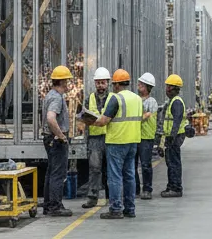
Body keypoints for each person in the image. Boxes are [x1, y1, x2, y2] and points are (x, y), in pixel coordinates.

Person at [85, 68, 143, 219]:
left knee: (115, 176)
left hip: (117, 142)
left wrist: (89, 121)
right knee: (129, 175)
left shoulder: (116, 99)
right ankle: (130, 208)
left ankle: (116, 208)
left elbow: (104, 121)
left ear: (115, 84)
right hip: (133, 142)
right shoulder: (137, 98)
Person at [42, 65, 73, 217]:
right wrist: (61, 136)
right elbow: (50, 118)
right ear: (62, 82)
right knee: (57, 174)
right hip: (56, 141)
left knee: (51, 173)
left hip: (49, 139)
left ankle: (48, 205)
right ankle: (55, 206)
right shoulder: (56, 97)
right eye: (67, 80)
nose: (68, 83)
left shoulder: (50, 95)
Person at [79, 66, 110, 208]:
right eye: (98, 83)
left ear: (108, 83)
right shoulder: (89, 99)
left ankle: (112, 197)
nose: (100, 85)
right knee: (95, 169)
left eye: (103, 82)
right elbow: (84, 119)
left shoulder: (113, 99)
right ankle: (92, 198)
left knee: (110, 169)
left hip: (110, 138)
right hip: (94, 139)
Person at [160, 74, 187, 197]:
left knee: (173, 162)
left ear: (173, 88)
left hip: (175, 137)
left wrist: (171, 136)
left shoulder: (176, 102)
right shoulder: (173, 101)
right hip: (173, 136)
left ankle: (176, 188)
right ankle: (172, 185)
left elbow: (176, 121)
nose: (166, 89)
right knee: (170, 161)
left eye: (168, 87)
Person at [135, 72, 158, 200]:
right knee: (132, 165)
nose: (139, 87)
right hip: (135, 136)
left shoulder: (152, 102)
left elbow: (146, 116)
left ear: (148, 87)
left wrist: (134, 119)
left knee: (145, 164)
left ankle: (147, 189)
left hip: (146, 137)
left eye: (141, 85)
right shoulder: (136, 100)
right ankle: (136, 189)